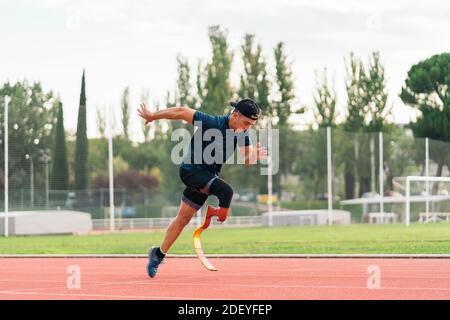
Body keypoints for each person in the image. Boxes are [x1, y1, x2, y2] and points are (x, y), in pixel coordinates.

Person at [137, 98, 268, 278]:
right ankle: (213, 213)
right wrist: (152, 116)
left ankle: (157, 254)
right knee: (226, 191)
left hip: (206, 180)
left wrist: (256, 155)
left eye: (252, 125)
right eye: (246, 123)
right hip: (191, 170)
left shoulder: (243, 135)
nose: (248, 128)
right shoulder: (212, 123)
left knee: (183, 219)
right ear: (235, 115)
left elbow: (247, 160)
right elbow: (181, 111)